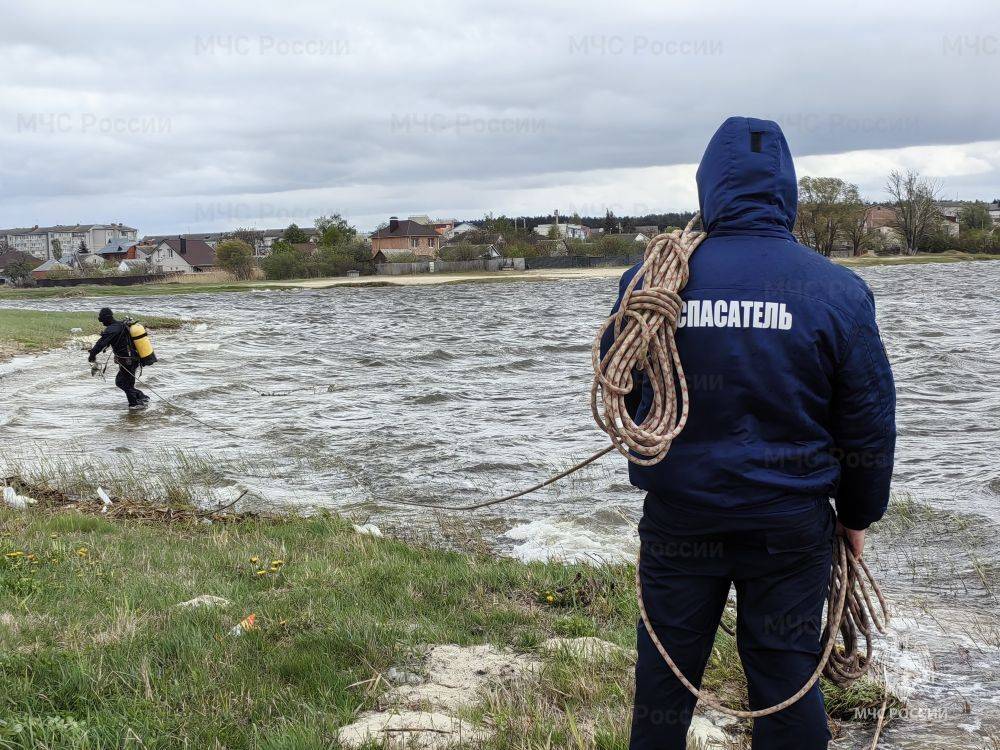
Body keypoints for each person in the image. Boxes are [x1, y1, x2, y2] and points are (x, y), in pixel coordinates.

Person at [602, 117, 896, 749]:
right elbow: (868, 418)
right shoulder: (835, 292)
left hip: (681, 521)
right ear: (786, 189)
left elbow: (623, 384)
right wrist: (858, 516)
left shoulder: (649, 284)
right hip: (788, 527)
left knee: (664, 684)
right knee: (785, 677)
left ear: (708, 185)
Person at [88, 307, 149, 410]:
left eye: (102, 320)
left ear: (107, 318)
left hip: (128, 361)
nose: (102, 323)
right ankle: (141, 399)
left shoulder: (112, 329)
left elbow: (100, 343)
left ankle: (135, 406)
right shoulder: (120, 325)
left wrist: (92, 354)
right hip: (133, 359)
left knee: (123, 383)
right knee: (126, 383)